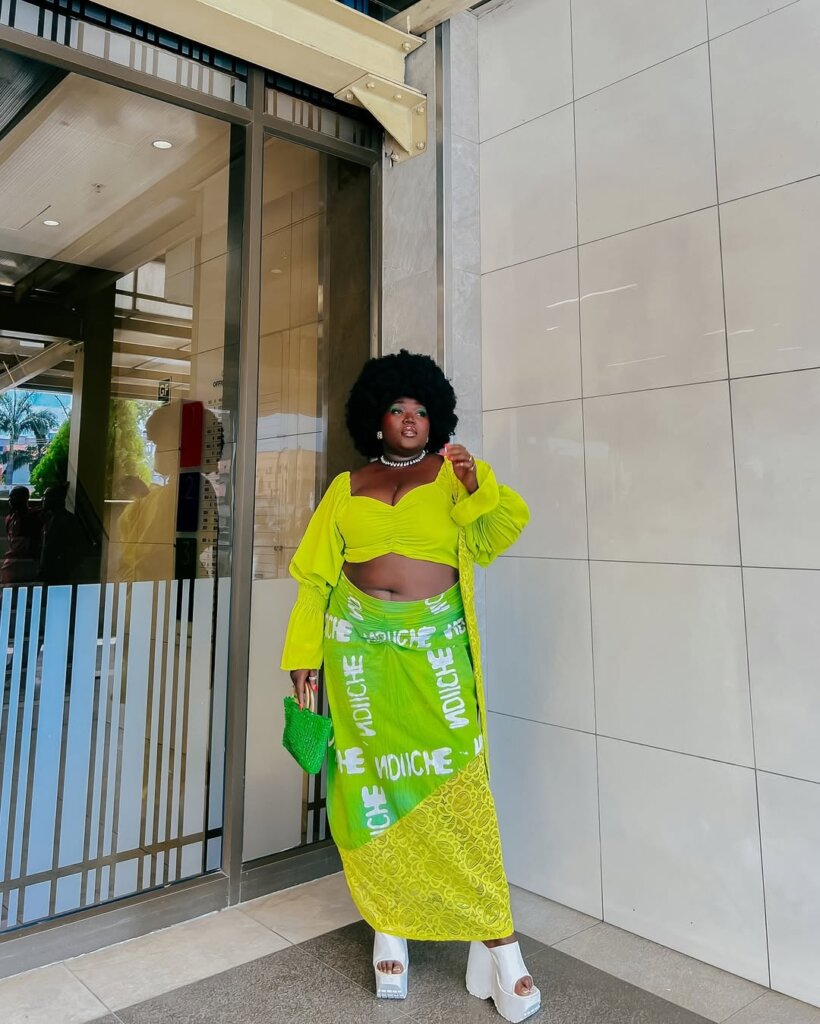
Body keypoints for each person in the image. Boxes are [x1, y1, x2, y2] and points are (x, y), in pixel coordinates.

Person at [281, 350, 539, 1022]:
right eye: (397, 409)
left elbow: (499, 533)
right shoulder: (347, 487)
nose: (409, 420)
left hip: (435, 659)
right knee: (371, 788)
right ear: (376, 417)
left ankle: (496, 939)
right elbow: (314, 579)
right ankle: (388, 927)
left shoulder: (454, 476)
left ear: (436, 419)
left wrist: (475, 483)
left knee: (461, 792)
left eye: (421, 411)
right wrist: (303, 657)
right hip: (357, 656)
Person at [1, 485, 41, 585]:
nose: (10, 499)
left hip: (26, 561)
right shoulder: (10, 518)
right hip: (12, 561)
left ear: (25, 498)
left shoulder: (35, 516)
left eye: (14, 496)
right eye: (10, 496)